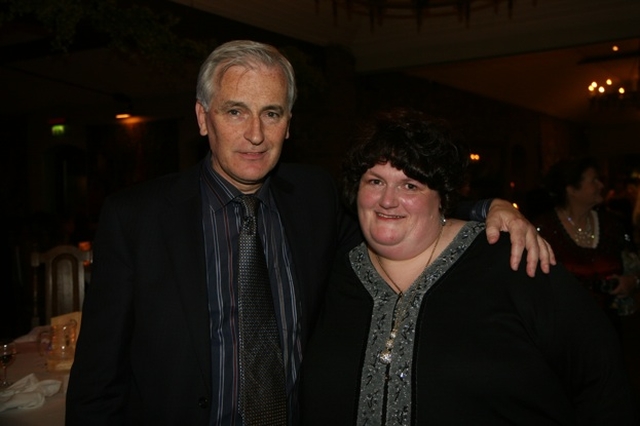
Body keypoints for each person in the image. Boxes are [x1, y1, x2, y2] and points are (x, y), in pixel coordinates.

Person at [66, 41, 553, 426]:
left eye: (271, 113)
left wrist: (491, 207)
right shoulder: (136, 218)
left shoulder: (313, 197)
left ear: (289, 122)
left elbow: (392, 213)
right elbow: (96, 382)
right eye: (235, 111)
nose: (255, 133)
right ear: (202, 117)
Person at [300, 108, 637, 425]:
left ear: (443, 196)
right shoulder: (334, 268)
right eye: (375, 181)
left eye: (410, 185)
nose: (388, 200)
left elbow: (602, 381)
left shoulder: (514, 261)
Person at [535, 157, 640, 333]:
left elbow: (635, 265)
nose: (601, 186)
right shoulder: (543, 229)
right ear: (571, 189)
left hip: (609, 329)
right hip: (561, 333)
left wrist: (632, 281)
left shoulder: (612, 226)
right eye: (594, 181)